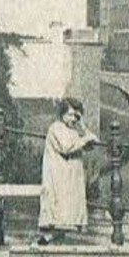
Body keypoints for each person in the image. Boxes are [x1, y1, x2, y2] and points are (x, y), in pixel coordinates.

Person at [37, 97, 100, 244]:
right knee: (59, 210)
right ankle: (49, 238)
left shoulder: (72, 131)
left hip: (68, 178)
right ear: (62, 114)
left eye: (76, 115)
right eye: (70, 114)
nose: (73, 118)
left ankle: (52, 238)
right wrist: (84, 139)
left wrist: (82, 126)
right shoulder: (56, 128)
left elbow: (94, 142)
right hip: (58, 176)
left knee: (67, 212)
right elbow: (67, 147)